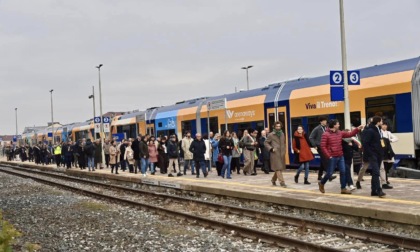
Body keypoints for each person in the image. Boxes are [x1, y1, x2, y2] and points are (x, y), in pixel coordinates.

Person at [318, 120, 363, 194]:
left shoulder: (339, 132)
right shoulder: (325, 134)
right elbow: (323, 147)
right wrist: (329, 156)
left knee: (343, 172)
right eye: (338, 124)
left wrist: (357, 129)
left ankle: (343, 188)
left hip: (340, 155)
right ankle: (322, 183)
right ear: (334, 125)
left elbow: (350, 134)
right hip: (332, 157)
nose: (339, 125)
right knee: (329, 173)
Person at [363, 116, 386, 198]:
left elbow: (380, 141)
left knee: (375, 173)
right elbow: (365, 143)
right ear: (378, 121)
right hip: (373, 155)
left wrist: (382, 150)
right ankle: (379, 190)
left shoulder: (378, 129)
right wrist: (371, 153)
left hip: (379, 154)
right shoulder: (370, 131)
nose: (382, 121)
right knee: (376, 172)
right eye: (381, 120)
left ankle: (373, 190)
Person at [309, 116, 337, 182]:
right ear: (321, 122)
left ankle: (319, 176)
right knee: (325, 160)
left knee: (323, 162)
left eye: (326, 120)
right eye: (324, 120)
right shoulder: (317, 129)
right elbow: (311, 137)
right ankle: (329, 175)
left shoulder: (327, 128)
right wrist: (314, 145)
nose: (325, 121)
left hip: (326, 146)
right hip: (320, 147)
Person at [265, 121, 287, 188]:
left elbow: (283, 143)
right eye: (277, 126)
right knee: (278, 168)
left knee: (279, 168)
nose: (278, 128)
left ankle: (273, 180)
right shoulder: (271, 135)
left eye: (279, 126)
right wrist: (271, 149)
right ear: (274, 127)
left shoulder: (282, 134)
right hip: (275, 153)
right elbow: (266, 143)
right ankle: (282, 182)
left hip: (282, 153)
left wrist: (284, 150)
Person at [381, 122, 398, 188]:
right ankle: (385, 180)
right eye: (383, 125)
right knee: (384, 166)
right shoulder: (380, 132)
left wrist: (389, 140)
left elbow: (396, 138)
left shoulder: (388, 133)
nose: (385, 126)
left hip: (388, 150)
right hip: (383, 150)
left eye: (386, 125)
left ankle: (385, 178)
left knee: (390, 163)